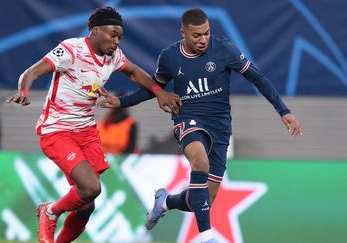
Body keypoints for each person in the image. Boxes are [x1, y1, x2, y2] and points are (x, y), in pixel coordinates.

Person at [99, 8, 302, 243]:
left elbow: (257, 77)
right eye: (196, 35)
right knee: (200, 162)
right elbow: (154, 88)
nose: (203, 39)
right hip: (188, 119)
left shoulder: (224, 49)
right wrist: (121, 101)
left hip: (220, 126)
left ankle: (165, 202)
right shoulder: (170, 57)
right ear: (183, 33)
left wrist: (283, 111)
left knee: (204, 199)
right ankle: (207, 237)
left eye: (206, 33)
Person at [6, 7, 181, 243]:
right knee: (91, 188)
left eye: (120, 37)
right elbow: (32, 71)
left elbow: (134, 72)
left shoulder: (113, 56)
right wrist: (24, 90)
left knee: (86, 206)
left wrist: (159, 92)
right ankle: (50, 211)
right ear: (96, 31)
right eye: (112, 35)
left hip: (87, 132)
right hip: (58, 130)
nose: (116, 41)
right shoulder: (71, 50)